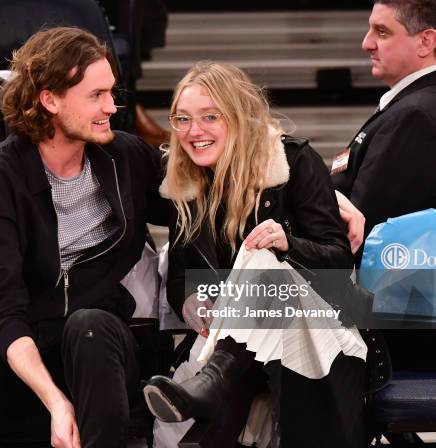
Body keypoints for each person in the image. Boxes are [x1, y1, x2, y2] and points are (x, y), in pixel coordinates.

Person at [0, 27, 166, 448]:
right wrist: (55, 402)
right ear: (50, 99)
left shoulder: (126, 157)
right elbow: (0, 311)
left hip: (93, 357)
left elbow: (198, 210)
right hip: (15, 360)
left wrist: (194, 288)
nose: (112, 107)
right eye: (96, 95)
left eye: (112, 92)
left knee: (90, 325)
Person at [143, 61, 367, 447]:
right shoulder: (187, 182)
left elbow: (338, 260)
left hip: (315, 329)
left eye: (210, 117)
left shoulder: (293, 163)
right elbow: (180, 278)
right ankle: (214, 384)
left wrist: (287, 243)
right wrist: (193, 304)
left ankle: (213, 383)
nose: (193, 132)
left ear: (240, 117)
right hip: (238, 341)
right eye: (182, 119)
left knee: (264, 262)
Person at [332, 0, 436, 370]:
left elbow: (366, 229)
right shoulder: (411, 105)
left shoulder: (416, 114)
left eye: (382, 32)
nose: (366, 43)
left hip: (390, 325)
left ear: (426, 41)